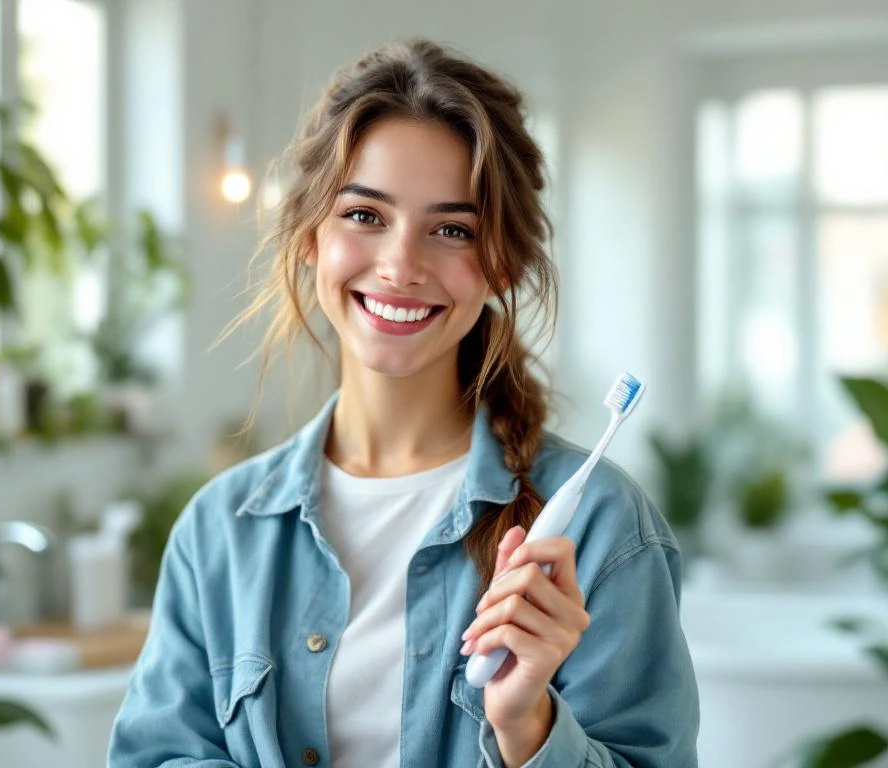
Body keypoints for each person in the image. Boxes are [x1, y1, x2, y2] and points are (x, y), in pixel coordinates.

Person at [108, 39, 699, 768]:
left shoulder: (605, 530)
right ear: (308, 237)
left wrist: (529, 727)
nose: (400, 266)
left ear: (502, 266)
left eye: (452, 230)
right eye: (364, 215)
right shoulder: (218, 535)